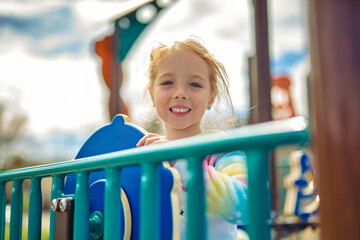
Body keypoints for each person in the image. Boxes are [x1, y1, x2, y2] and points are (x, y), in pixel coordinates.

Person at [136, 38, 248, 239]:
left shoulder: (220, 149)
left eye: (194, 84)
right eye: (168, 82)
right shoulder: (146, 152)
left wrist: (185, 164)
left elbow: (247, 205)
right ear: (152, 95)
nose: (180, 93)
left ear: (211, 97)